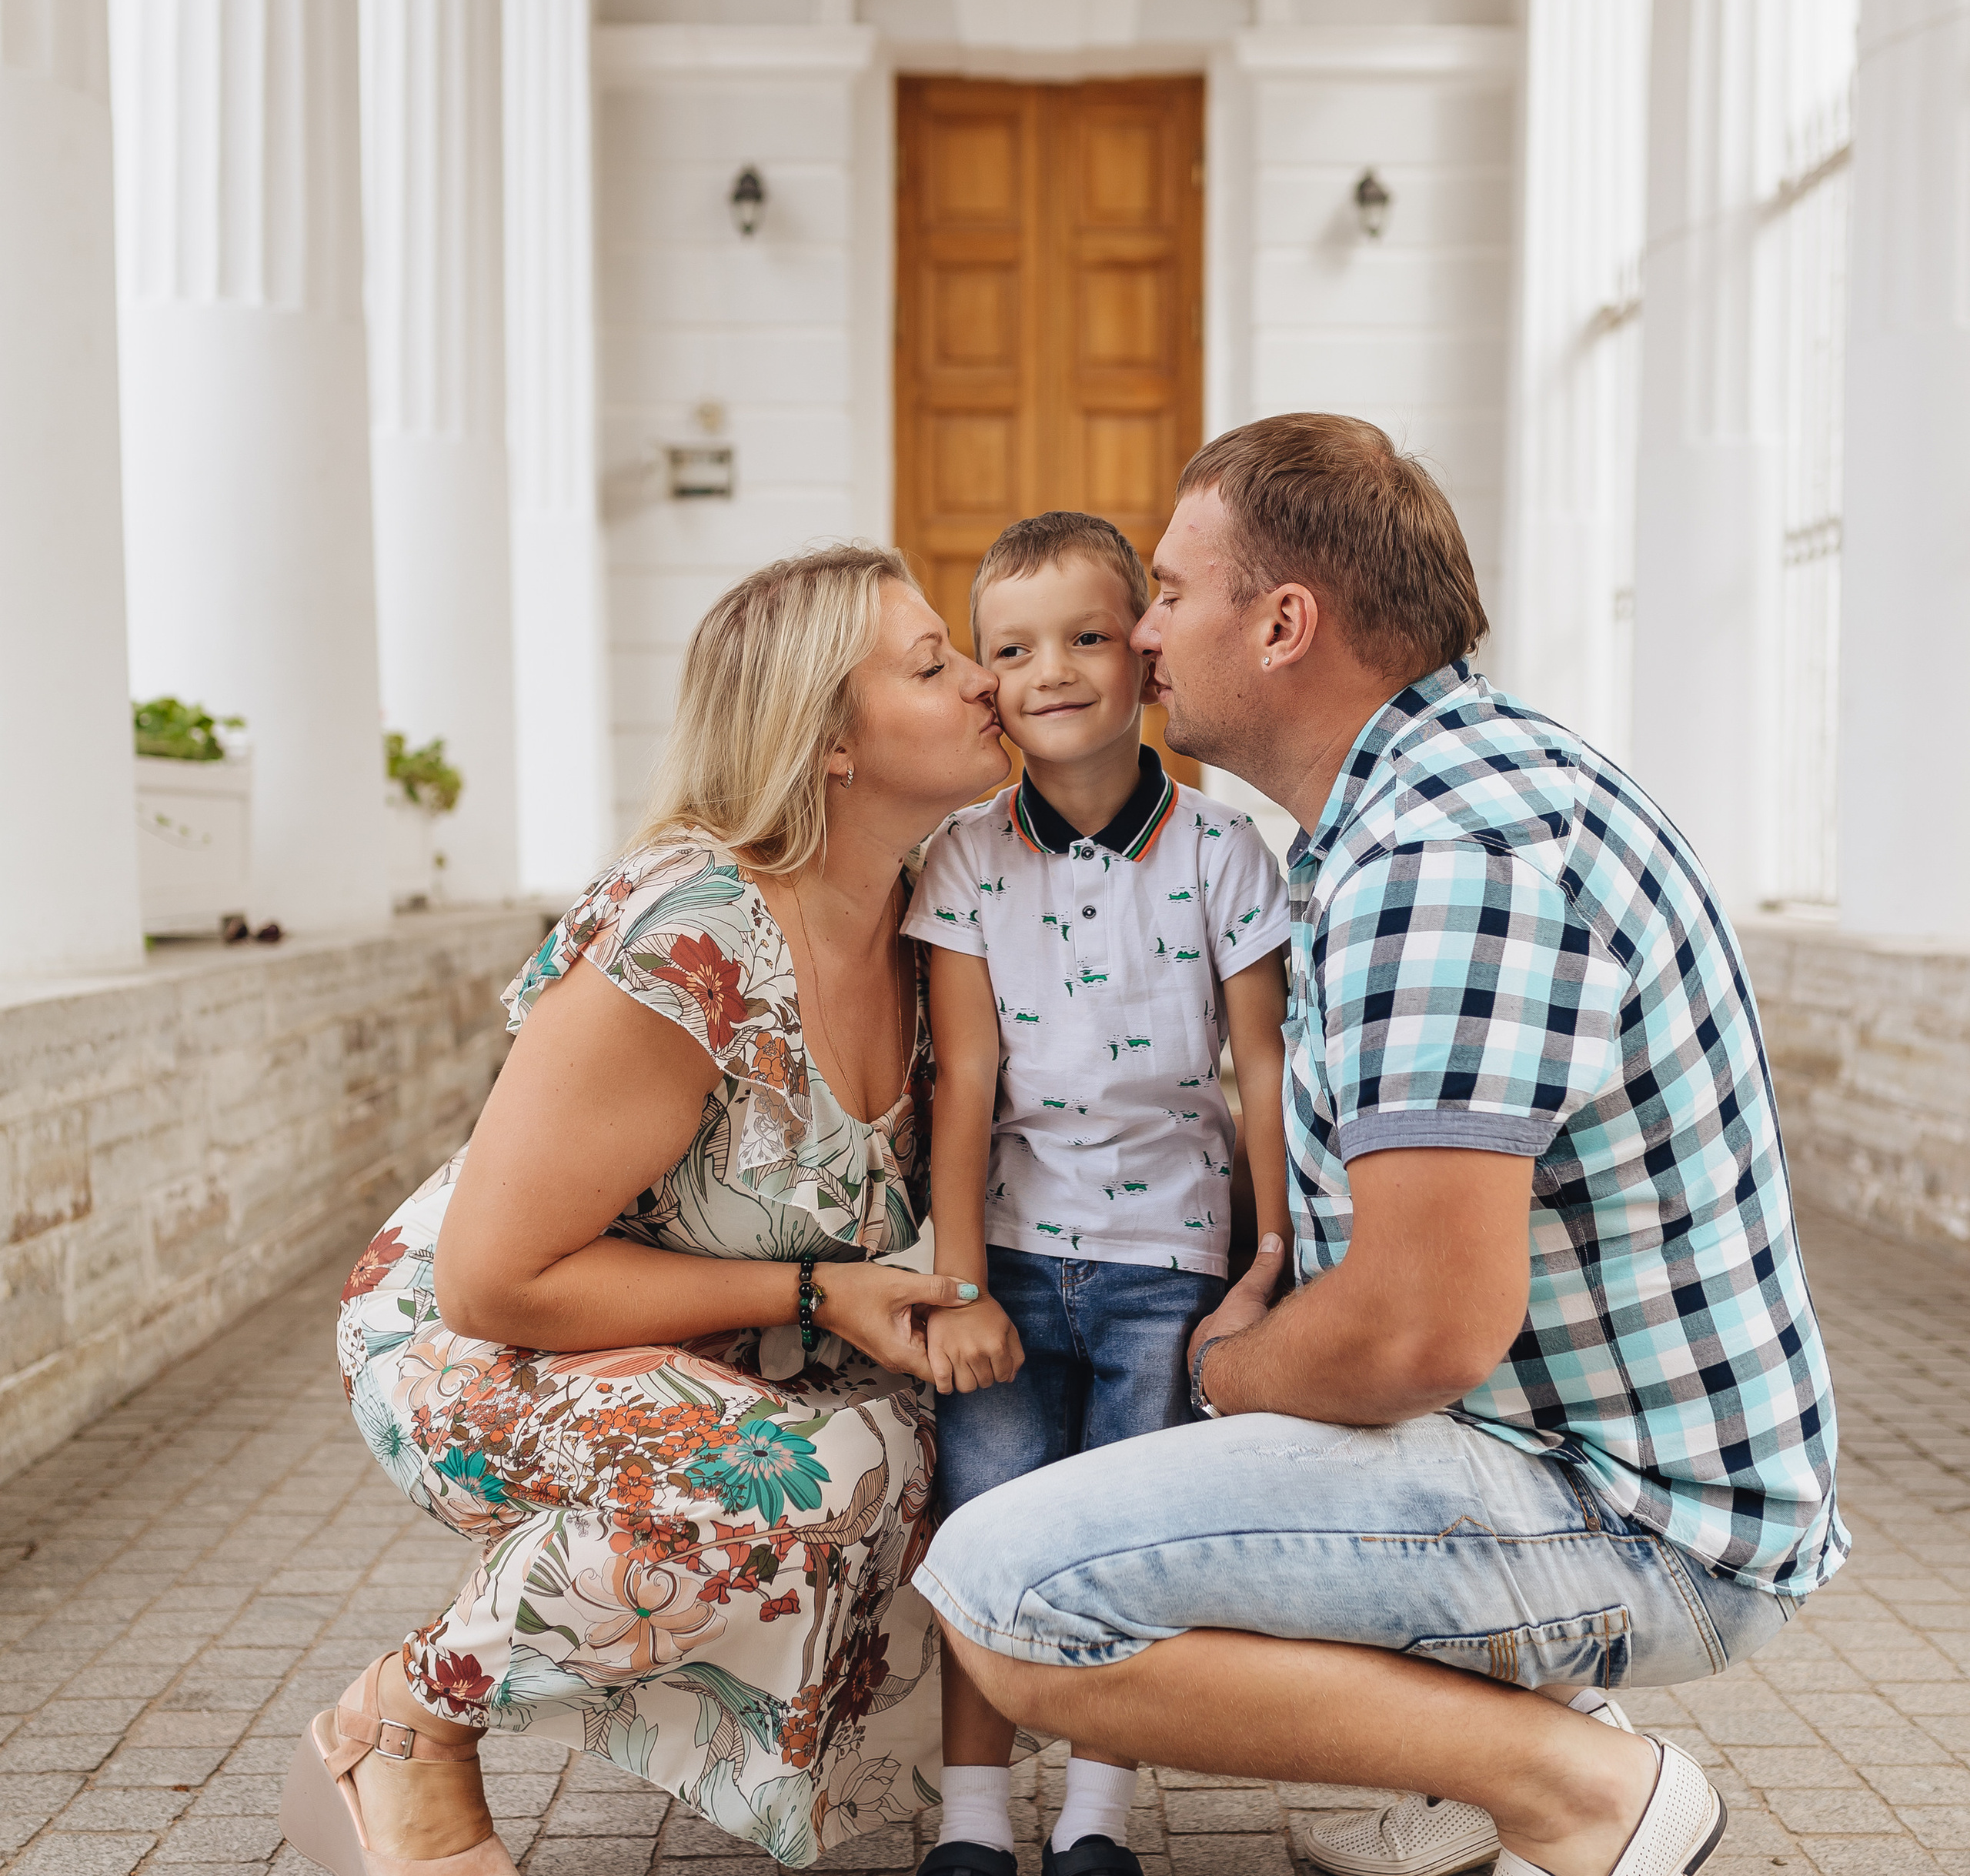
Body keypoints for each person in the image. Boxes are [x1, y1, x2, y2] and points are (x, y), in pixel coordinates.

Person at [912, 416, 1847, 1876]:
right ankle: (1478, 1735)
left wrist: (1225, 1378)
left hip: (1635, 1514)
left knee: (1004, 1587)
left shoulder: (1445, 861)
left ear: (1283, 625)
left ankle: (1580, 1784)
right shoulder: (1418, 802)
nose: (1142, 633)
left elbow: (1417, 1330)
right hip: (1553, 1442)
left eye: (1169, 593)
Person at [285, 546, 1013, 1876]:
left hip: (711, 1336)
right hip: (476, 1335)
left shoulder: (937, 913)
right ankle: (407, 1717)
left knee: (952, 1459)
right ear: (830, 741)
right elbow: (494, 1281)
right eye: (933, 665)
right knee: (802, 1483)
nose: (985, 682)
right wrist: (816, 1294)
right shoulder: (694, 931)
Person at [900, 512, 1292, 1876]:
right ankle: (969, 1821)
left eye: (1084, 637)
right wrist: (957, 1285)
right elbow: (963, 1082)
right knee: (988, 1530)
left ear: (1142, 654)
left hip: (1169, 1267)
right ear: (987, 679)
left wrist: (1271, 1258)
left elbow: (1262, 1070)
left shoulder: (1224, 852)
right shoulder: (963, 856)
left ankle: (1096, 1822)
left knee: (1123, 1547)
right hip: (1008, 1262)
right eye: (1011, 650)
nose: (1051, 670)